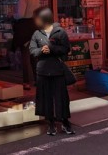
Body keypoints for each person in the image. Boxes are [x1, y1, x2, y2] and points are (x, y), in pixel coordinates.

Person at [30, 7, 74, 136]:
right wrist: (40, 51)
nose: (35, 21)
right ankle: (50, 123)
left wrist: (52, 49)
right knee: (45, 98)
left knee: (62, 98)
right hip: (42, 71)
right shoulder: (36, 34)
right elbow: (32, 50)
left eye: (37, 18)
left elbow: (66, 48)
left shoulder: (60, 32)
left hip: (57, 70)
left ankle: (65, 121)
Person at [13, 0, 40, 90]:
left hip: (25, 27)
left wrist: (13, 15)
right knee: (34, 55)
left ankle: (26, 82)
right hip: (35, 26)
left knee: (25, 55)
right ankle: (37, 80)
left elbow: (20, 14)